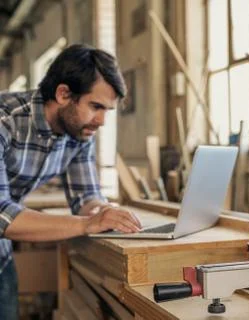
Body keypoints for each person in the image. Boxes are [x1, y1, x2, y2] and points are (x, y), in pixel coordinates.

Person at [0, 44, 142, 319]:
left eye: (107, 111)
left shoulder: (79, 130)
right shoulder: (5, 120)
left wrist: (104, 212)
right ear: (64, 94)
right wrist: (88, 224)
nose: (101, 121)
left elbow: (86, 198)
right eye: (95, 106)